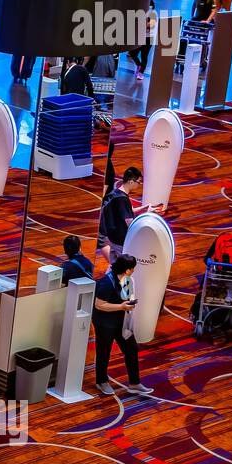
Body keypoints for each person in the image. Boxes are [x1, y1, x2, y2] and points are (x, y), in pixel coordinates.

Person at [92, 254, 152, 396]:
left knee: (131, 349)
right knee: (103, 352)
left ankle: (134, 383)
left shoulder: (127, 280)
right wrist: (121, 306)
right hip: (105, 323)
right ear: (127, 270)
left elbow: (128, 296)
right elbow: (99, 305)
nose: (134, 271)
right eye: (132, 268)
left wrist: (131, 302)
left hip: (121, 322)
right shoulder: (106, 283)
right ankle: (101, 381)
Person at [98, 166, 160, 264]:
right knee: (124, 266)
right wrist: (148, 214)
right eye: (138, 182)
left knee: (114, 265)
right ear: (131, 181)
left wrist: (145, 207)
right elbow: (131, 224)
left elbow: (131, 210)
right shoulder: (122, 199)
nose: (139, 185)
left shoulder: (116, 192)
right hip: (120, 240)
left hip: (111, 237)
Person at [129, 0, 156, 81]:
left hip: (148, 38)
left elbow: (150, 25)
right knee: (132, 53)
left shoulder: (153, 14)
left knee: (144, 56)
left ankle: (141, 73)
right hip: (140, 37)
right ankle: (139, 65)